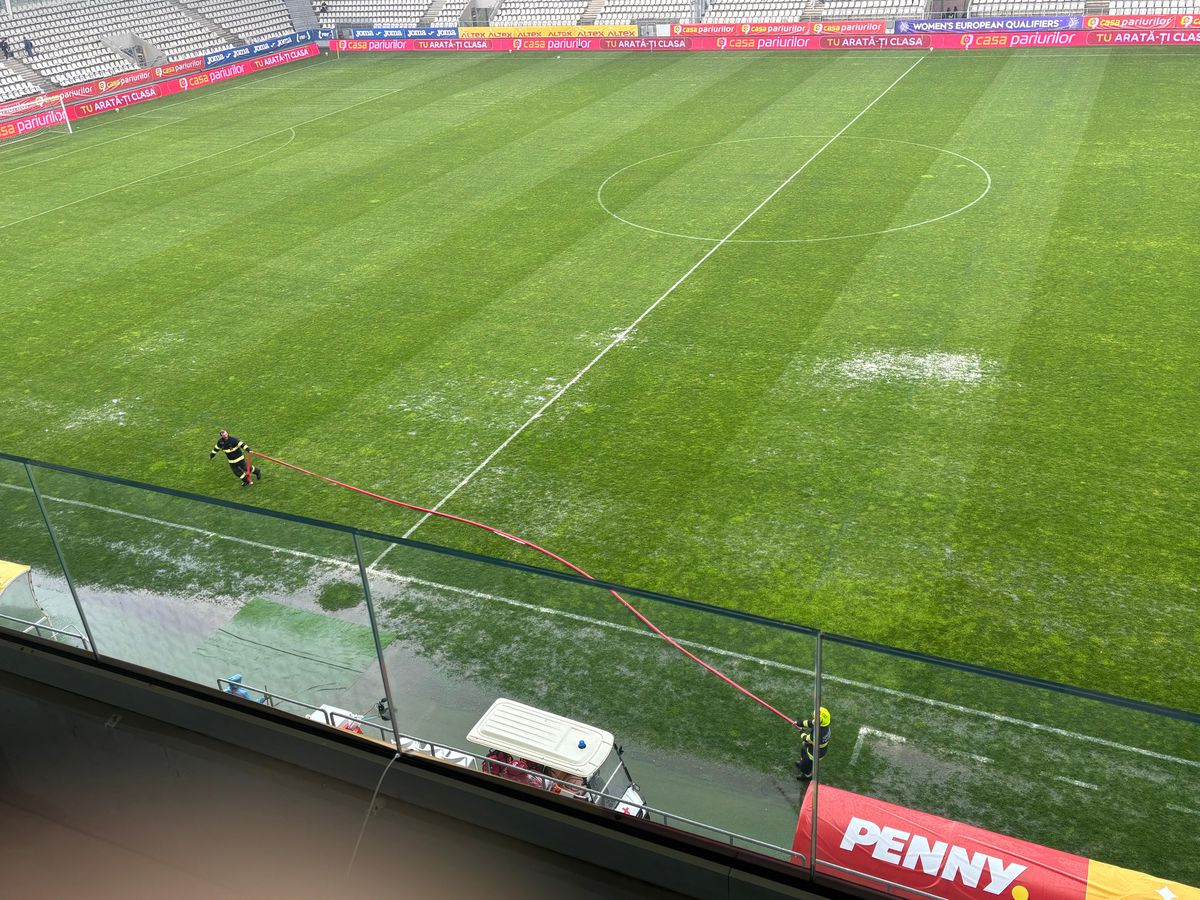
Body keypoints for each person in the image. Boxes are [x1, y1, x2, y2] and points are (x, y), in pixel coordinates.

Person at [794, 706, 831, 781]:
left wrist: (801, 732)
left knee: (806, 766)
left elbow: (806, 739)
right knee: (803, 751)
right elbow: (810, 723)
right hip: (813, 747)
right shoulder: (822, 724)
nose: (814, 718)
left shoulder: (819, 733)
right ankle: (802, 762)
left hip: (814, 754)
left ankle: (807, 776)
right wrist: (798, 723)